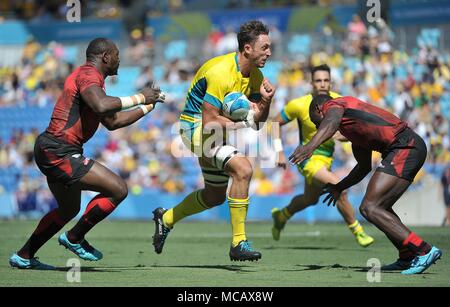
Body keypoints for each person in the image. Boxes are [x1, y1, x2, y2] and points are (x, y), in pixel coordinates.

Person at [9, 38, 165, 270]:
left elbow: (113, 121)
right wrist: (140, 96)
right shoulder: (88, 76)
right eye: (117, 54)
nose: (120, 59)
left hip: (53, 149)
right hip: (59, 151)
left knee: (68, 209)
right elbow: (102, 106)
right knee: (118, 189)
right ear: (105, 57)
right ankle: (74, 238)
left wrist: (147, 106)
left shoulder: (93, 83)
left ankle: (24, 256)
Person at [152, 20, 275, 262]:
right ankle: (239, 242)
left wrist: (266, 102)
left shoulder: (256, 75)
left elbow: (258, 123)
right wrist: (244, 120)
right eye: (265, 47)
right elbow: (209, 122)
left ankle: (165, 219)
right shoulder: (220, 72)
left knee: (214, 196)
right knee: (243, 168)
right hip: (194, 128)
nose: (269, 52)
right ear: (247, 49)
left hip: (216, 133)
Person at [289, 94, 442, 275]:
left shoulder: (335, 105)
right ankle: (407, 255)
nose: (317, 127)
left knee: (370, 207)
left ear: (318, 109)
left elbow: (330, 121)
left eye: (316, 123)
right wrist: (339, 186)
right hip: (405, 148)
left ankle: (423, 250)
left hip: (405, 146)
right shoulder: (353, 130)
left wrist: (310, 146)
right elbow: (363, 168)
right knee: (379, 206)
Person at [271, 64, 374, 247]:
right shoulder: (299, 104)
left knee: (310, 199)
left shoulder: (339, 103)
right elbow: (274, 124)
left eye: (326, 80)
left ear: (331, 82)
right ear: (311, 83)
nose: (323, 84)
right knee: (339, 187)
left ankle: (282, 215)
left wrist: (341, 136)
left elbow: (347, 132)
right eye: (318, 80)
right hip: (307, 158)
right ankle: (358, 231)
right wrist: (279, 152)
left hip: (327, 159)